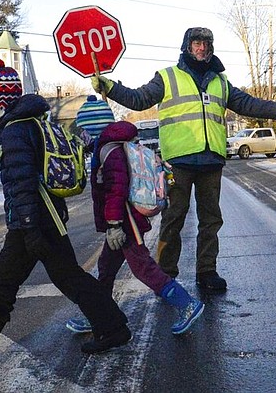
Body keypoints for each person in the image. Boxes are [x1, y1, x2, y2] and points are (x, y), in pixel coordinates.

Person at [0, 60, 131, 367]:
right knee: (60, 277)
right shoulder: (31, 122)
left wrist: (28, 229)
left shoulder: (14, 131)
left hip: (34, 220)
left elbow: (22, 182)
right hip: (44, 216)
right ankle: (112, 326)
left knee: (8, 277)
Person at [91, 27, 276, 292]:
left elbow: (249, 104)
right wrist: (111, 87)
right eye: (197, 43)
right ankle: (166, 273)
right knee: (174, 219)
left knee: (211, 219)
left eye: (207, 43)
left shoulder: (220, 81)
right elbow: (139, 99)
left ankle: (207, 272)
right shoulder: (168, 77)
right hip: (178, 161)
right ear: (186, 46)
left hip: (211, 160)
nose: (202, 48)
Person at [65, 114, 204, 335]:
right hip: (123, 220)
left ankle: (186, 303)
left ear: (95, 128)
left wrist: (113, 224)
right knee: (106, 268)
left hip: (125, 222)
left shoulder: (111, 153)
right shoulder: (110, 146)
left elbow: (115, 191)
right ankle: (98, 315)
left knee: (143, 268)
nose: (82, 134)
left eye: (84, 129)